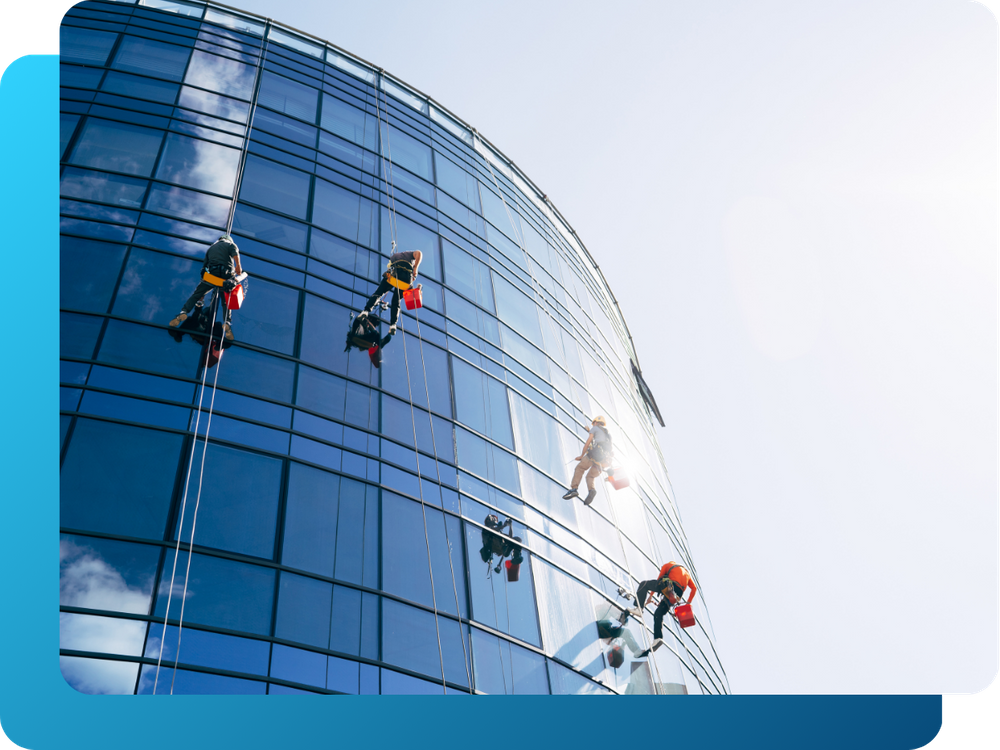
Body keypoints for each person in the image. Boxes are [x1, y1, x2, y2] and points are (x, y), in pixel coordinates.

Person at [169, 234, 245, 340]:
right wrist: (238, 265)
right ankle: (227, 322)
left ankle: (184, 312)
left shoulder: (211, 248)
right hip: (226, 276)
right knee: (226, 302)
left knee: (196, 295)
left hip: (212, 275)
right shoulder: (231, 244)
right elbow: (235, 253)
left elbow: (204, 268)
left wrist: (203, 285)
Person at [631, 561, 698, 656]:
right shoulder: (687, 574)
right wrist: (687, 604)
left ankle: (638, 608)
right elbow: (694, 589)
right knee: (658, 614)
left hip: (670, 585)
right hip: (678, 594)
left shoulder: (667, 565)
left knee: (644, 584)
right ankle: (658, 638)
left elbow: (658, 580)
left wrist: (650, 596)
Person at [356, 249, 422, 334]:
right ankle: (393, 325)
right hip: (405, 281)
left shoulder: (394, 257)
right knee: (396, 302)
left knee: (378, 293)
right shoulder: (408, 255)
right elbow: (419, 252)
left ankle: (366, 311)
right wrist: (415, 268)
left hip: (392, 277)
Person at [562, 416, 613, 505]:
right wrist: (589, 430)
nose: (593, 425)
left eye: (593, 423)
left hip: (593, 456)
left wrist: (581, 456)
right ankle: (591, 490)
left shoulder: (595, 429)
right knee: (590, 477)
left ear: (596, 423)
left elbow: (588, 443)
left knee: (579, 468)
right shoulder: (608, 435)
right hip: (603, 461)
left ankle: (574, 489)